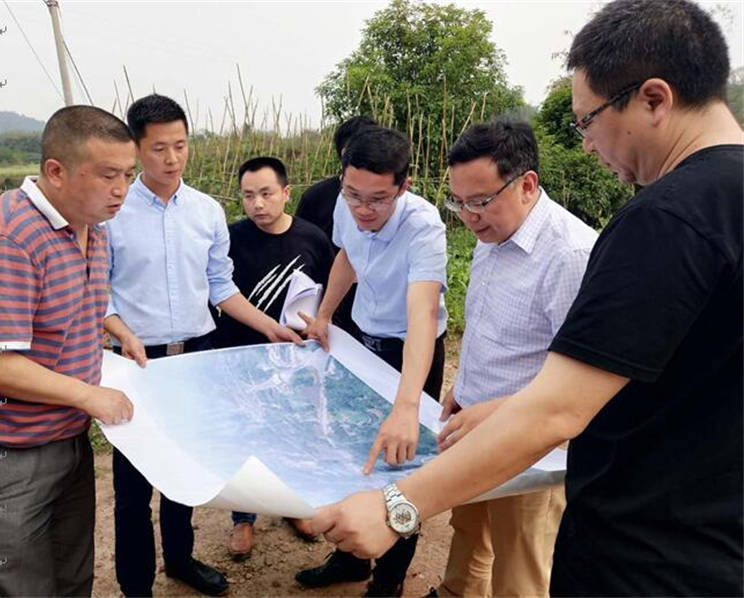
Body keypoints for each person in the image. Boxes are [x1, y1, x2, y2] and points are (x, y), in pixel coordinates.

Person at [308, 1, 743, 596]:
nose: (585, 145)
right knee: (472, 547)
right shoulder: (720, 202)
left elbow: (560, 409)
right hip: (708, 533)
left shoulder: (662, 221)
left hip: (648, 554)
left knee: (520, 570)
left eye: (586, 121)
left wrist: (395, 507)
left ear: (653, 99)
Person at [104, 94, 302, 597]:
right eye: (159, 149)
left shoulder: (206, 211)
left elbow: (221, 287)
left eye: (180, 145)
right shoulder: (112, 214)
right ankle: (135, 587)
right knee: (132, 489)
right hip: (137, 363)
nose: (172, 158)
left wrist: (270, 327)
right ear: (136, 149)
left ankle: (180, 560)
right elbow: (97, 292)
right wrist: (120, 331)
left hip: (196, 357)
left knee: (184, 470)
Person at [0, 105, 136, 597]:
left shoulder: (92, 226)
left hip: (64, 436)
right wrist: (89, 395)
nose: (121, 189)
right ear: (56, 171)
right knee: (19, 587)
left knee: (72, 577)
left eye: (128, 174)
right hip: (4, 453)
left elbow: (69, 309)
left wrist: (116, 329)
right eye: (108, 175)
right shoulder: (8, 239)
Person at [436, 120, 597, 597]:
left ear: (526, 184)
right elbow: (494, 326)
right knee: (470, 527)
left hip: (533, 444)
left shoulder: (570, 255)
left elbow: (581, 385)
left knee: (521, 560)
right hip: (473, 423)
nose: (469, 217)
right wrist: (465, 386)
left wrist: (496, 410)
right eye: (458, 202)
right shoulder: (493, 233)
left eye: (480, 201)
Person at [298, 125, 448, 597]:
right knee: (351, 451)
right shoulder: (346, 204)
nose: (363, 209)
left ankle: (388, 581)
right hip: (363, 343)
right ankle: (350, 559)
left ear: (403, 187)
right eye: (353, 194)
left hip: (411, 351)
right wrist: (324, 315)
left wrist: (406, 406)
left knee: (401, 467)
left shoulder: (424, 226)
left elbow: (422, 314)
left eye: (378, 199)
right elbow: (347, 256)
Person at [212, 156, 336, 559]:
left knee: (293, 431)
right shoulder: (231, 239)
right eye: (248, 196)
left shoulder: (312, 238)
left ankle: (291, 505)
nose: (258, 204)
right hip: (243, 354)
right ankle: (243, 517)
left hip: (295, 358)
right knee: (245, 434)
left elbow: (330, 293)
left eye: (266, 194)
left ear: (286, 192)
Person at [296, 115, 376, 338]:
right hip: (332, 293)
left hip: (374, 294)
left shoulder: (395, 202)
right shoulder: (317, 198)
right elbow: (303, 248)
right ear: (343, 153)